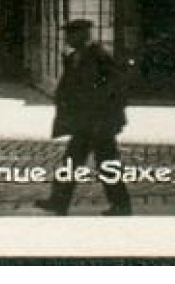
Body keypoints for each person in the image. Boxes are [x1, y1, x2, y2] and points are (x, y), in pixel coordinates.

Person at [35, 18, 131, 216]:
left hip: (99, 122)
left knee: (106, 163)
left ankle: (121, 204)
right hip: (84, 122)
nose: (68, 38)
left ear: (83, 35)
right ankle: (58, 202)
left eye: (72, 34)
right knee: (72, 160)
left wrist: (104, 114)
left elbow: (115, 88)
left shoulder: (99, 56)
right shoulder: (76, 56)